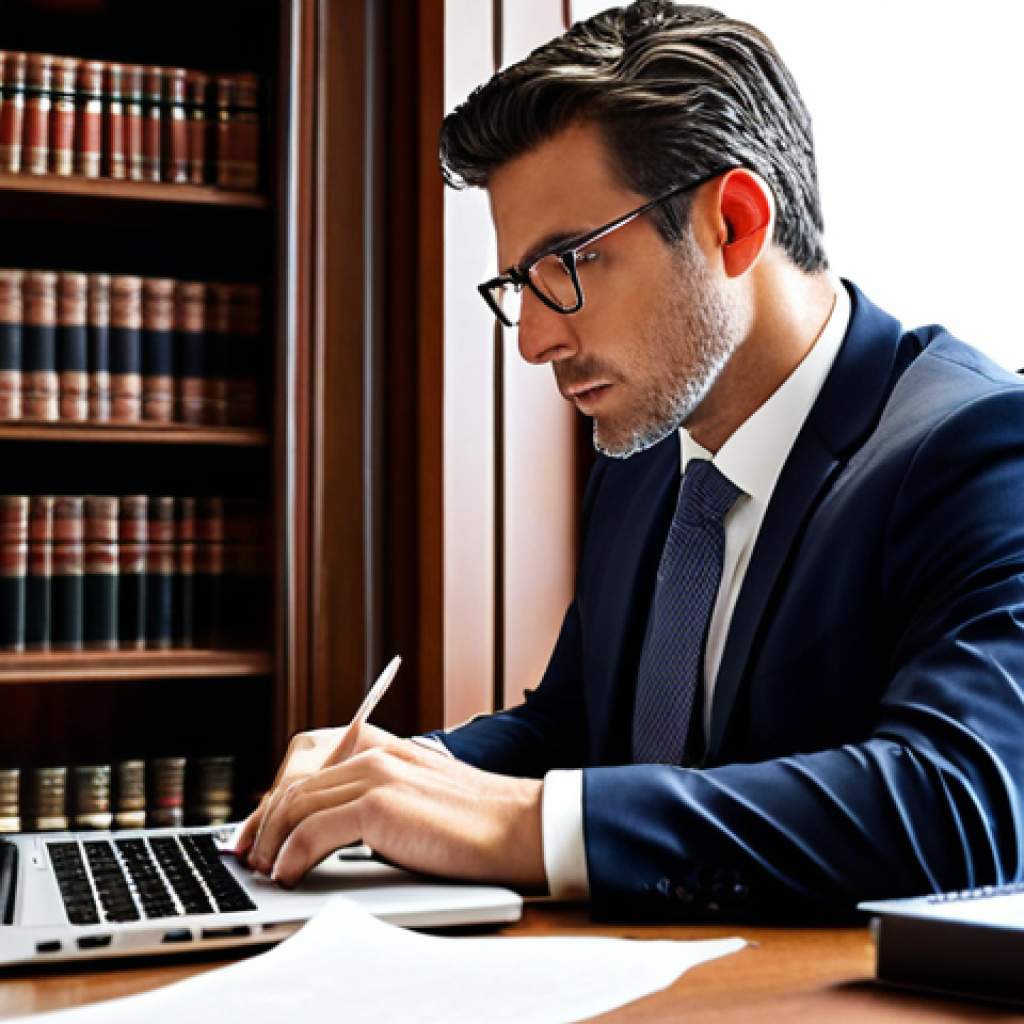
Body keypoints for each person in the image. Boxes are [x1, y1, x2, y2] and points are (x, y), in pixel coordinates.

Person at [236, 1, 1024, 921]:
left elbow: (968, 804)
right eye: (519, 285)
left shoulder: (978, 447)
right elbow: (576, 724)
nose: (532, 340)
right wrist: (404, 773)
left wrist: (524, 824)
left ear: (734, 224)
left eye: (567, 264)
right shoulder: (645, 453)